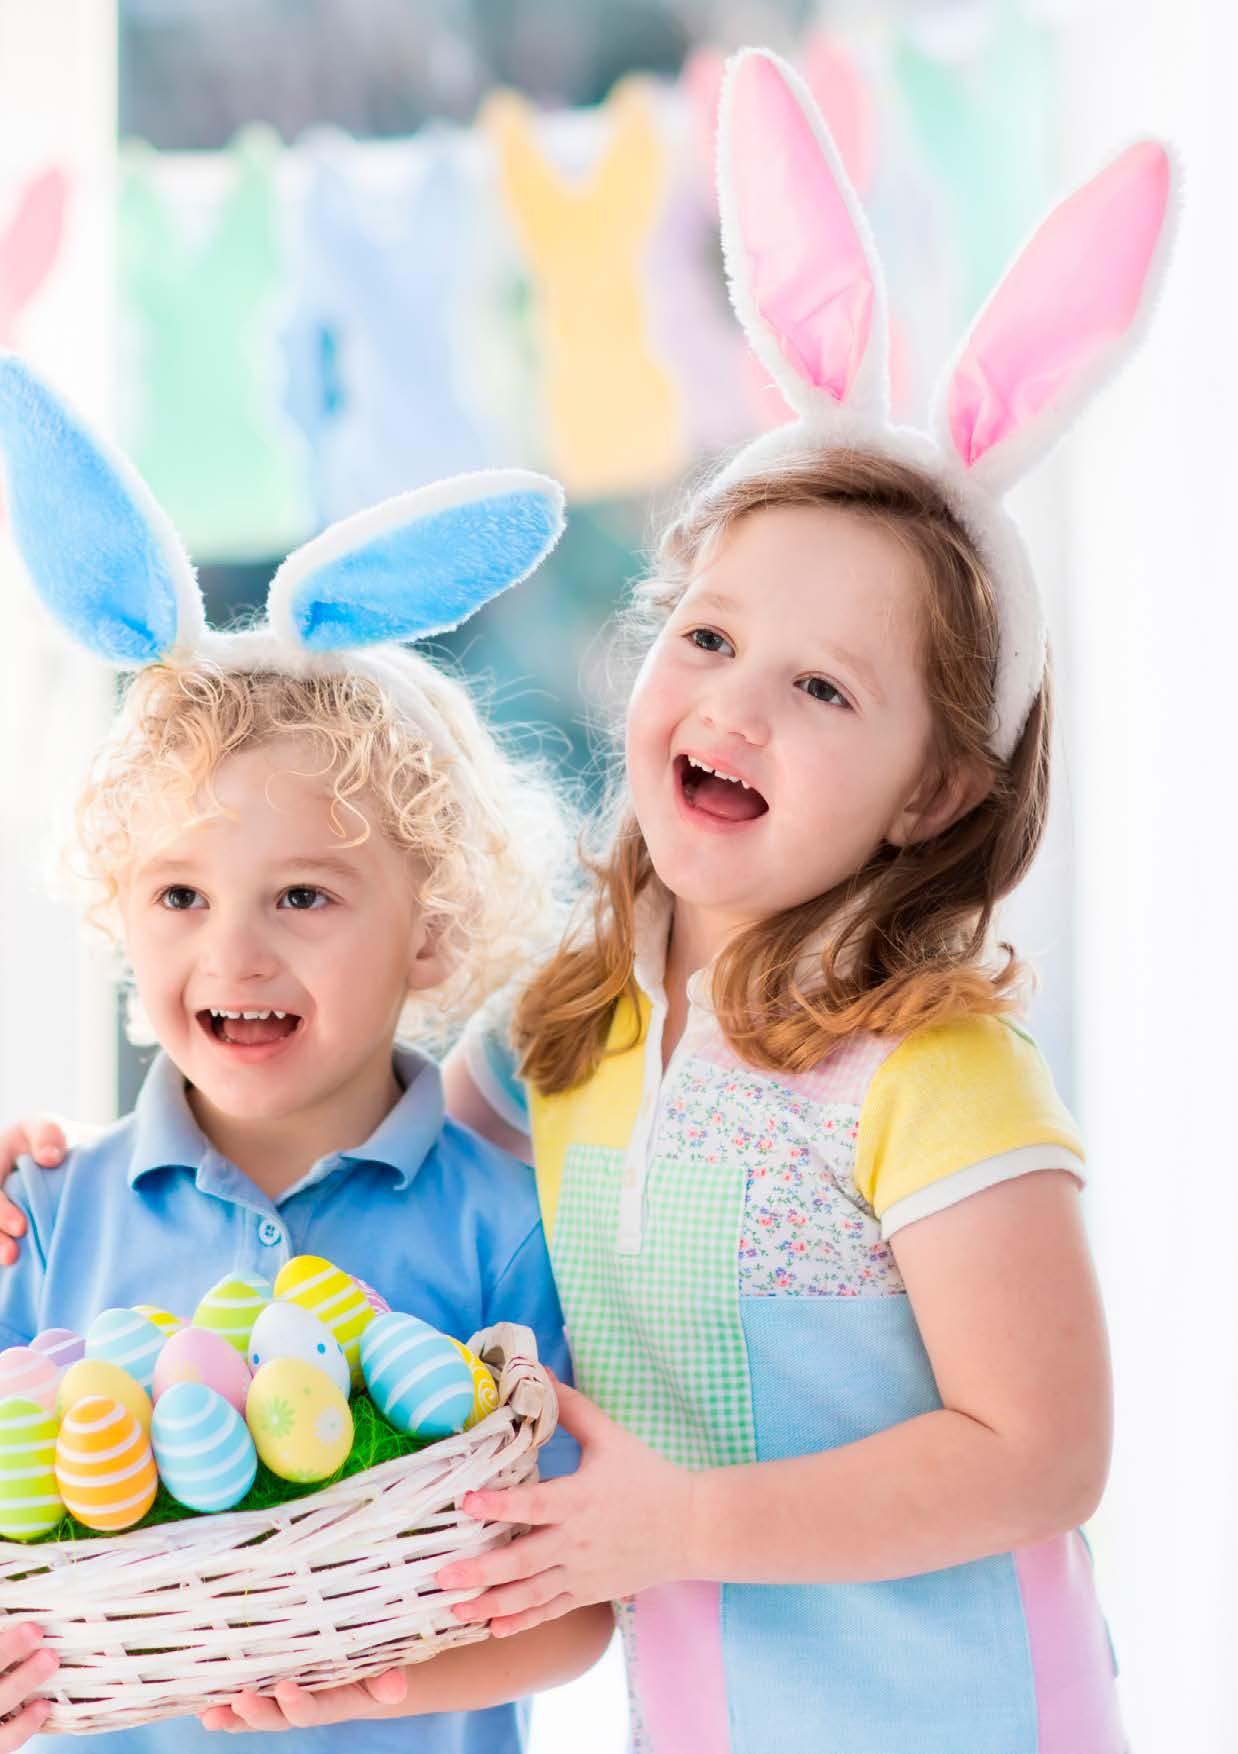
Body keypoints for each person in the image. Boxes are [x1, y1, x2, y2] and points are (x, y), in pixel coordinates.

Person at [0, 50, 1176, 1754]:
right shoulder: (567, 1034)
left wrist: (676, 1525)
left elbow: (1044, 1455)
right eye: (708, 637)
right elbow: (342, 1123)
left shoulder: (933, 1067)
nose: (735, 704)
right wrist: (49, 1187)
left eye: (823, 687)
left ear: (934, 791)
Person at [0, 355, 612, 1751]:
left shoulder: (509, 1224)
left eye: (303, 896)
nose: (236, 955)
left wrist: (362, 1686)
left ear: (430, 930)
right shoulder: (46, 1214)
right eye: (179, 896)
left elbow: (581, 1601)